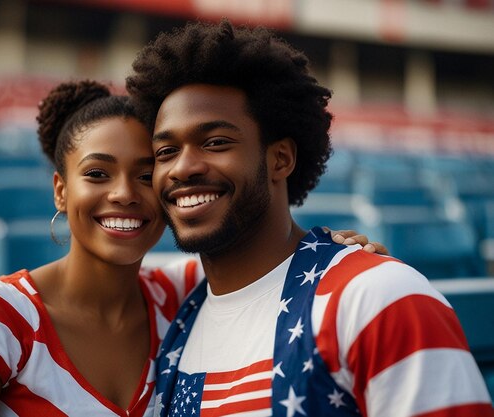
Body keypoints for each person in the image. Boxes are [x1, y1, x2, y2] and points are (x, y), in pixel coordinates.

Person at [0, 80, 381, 417]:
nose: (124, 194)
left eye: (145, 175)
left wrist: (337, 258)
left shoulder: (180, 297)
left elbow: (269, 269)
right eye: (97, 174)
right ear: (61, 191)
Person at [125, 19, 494, 417]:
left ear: (280, 158)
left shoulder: (378, 297)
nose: (183, 168)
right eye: (165, 152)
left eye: (216, 142)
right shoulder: (168, 308)